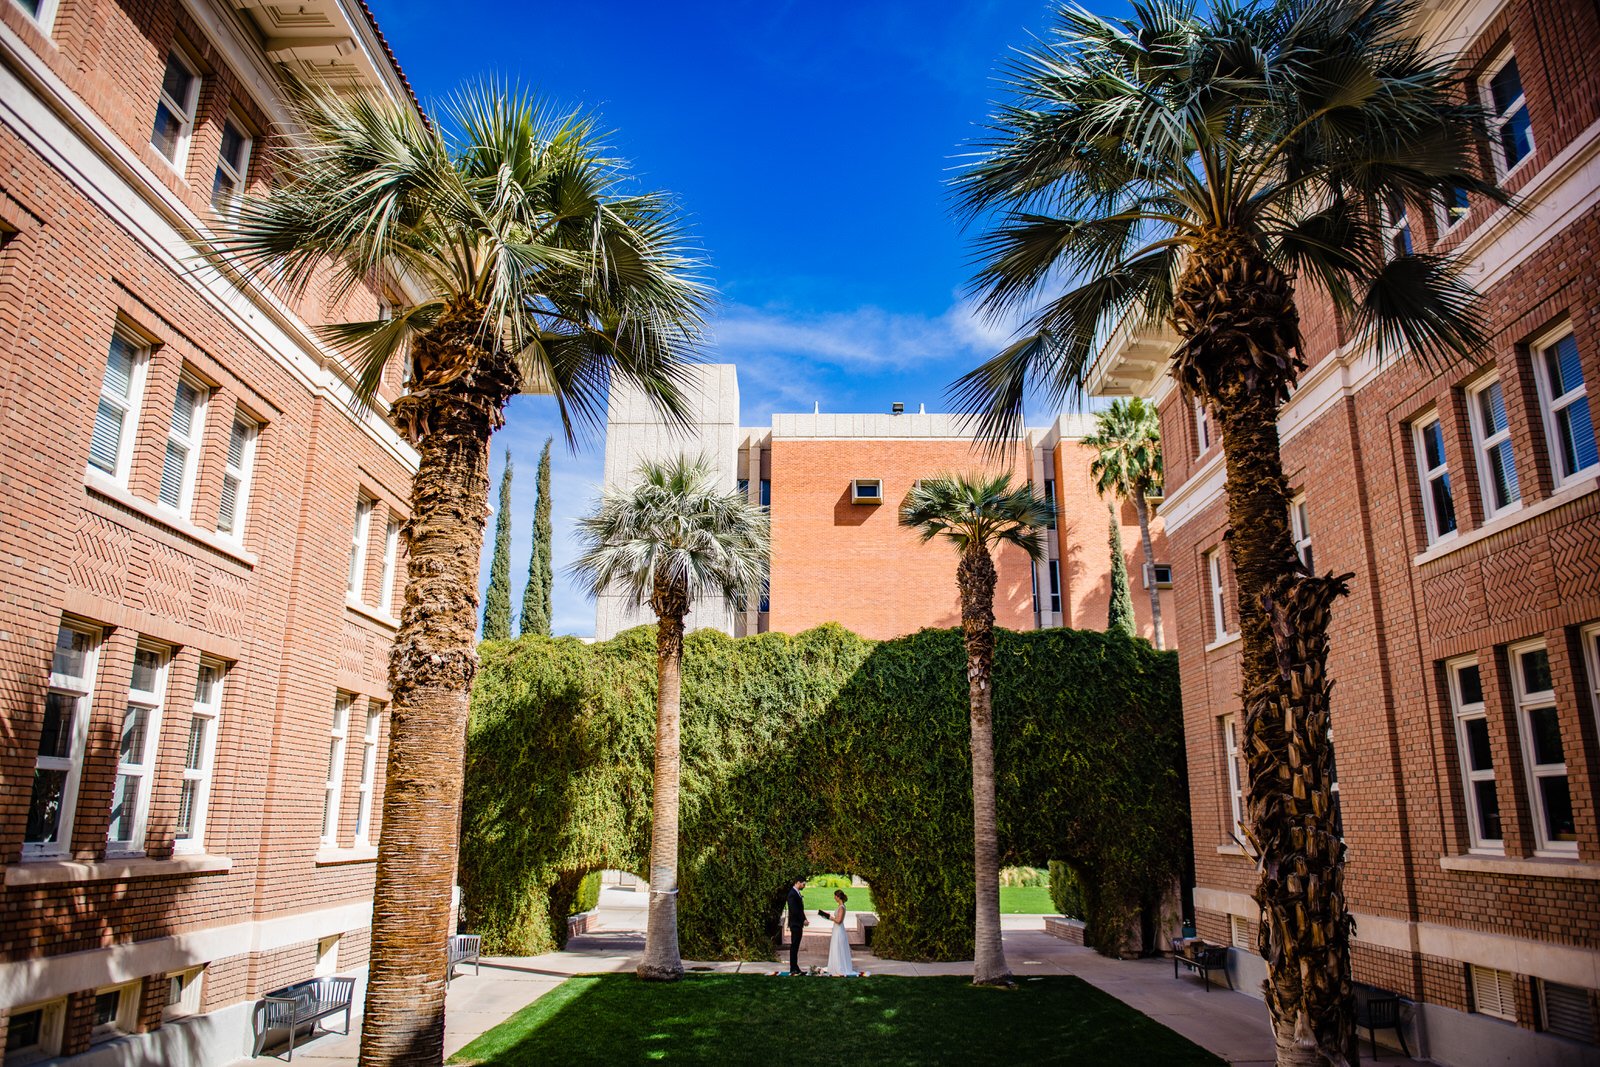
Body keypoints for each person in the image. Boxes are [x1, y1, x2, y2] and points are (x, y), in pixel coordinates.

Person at [819, 889, 858, 977]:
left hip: (839, 930)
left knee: (838, 947)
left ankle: (839, 967)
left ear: (838, 897)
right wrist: (827, 916)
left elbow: (839, 920)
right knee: (836, 947)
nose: (834, 898)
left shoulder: (841, 907)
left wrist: (830, 917)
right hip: (837, 929)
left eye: (835, 896)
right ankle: (835, 965)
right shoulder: (840, 906)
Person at [785, 876, 809, 975]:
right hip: (795, 924)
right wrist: (803, 920)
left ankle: (796, 967)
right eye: (803, 884)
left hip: (798, 923)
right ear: (798, 882)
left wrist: (805, 918)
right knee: (794, 946)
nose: (804, 886)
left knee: (796, 946)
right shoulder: (792, 894)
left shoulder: (796, 893)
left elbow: (800, 909)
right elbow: (795, 910)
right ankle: (793, 968)